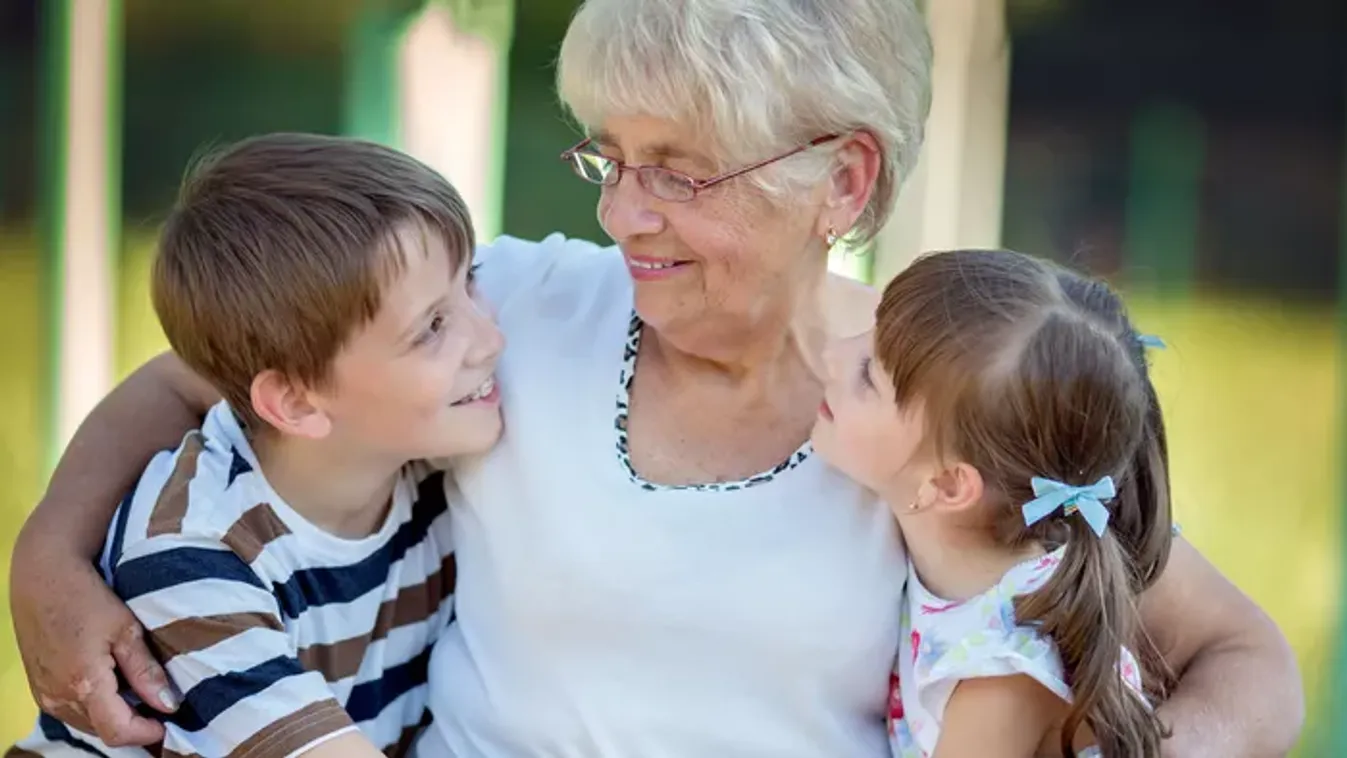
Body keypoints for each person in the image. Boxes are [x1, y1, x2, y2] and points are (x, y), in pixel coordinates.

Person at [10, 1, 1302, 756]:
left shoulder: (934, 402)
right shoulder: (499, 310)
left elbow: (1242, 652)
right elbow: (203, 374)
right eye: (608, 158)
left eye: (677, 171)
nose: (624, 214)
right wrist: (48, 565)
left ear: (839, 181)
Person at [9, 133, 503, 757]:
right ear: (296, 402)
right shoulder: (193, 553)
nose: (490, 337)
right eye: (431, 327)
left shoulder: (418, 459)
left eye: (472, 281)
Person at [814, 249, 1179, 757]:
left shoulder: (1002, 672)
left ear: (946, 486)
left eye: (867, 375)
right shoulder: (985, 576)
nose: (831, 352)